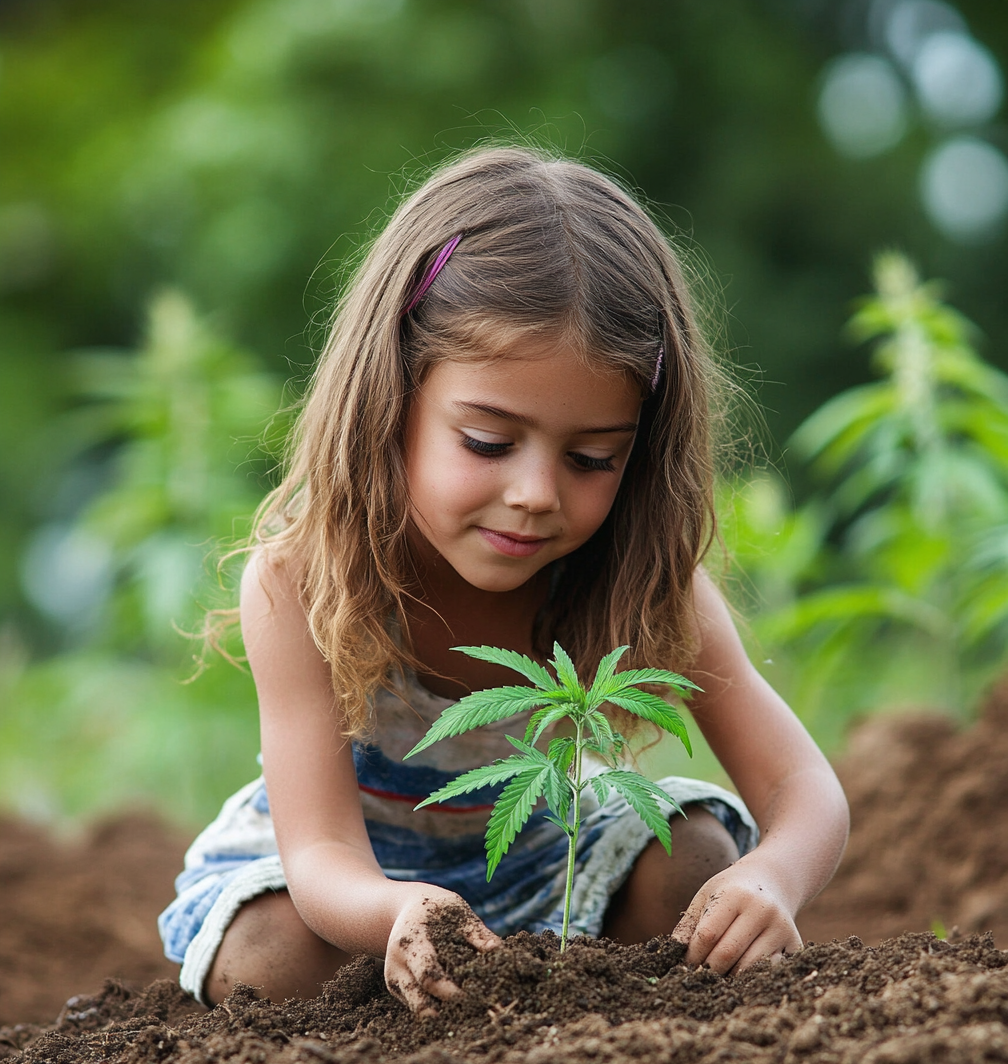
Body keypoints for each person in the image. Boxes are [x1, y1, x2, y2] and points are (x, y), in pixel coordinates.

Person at [158, 146, 849, 1015]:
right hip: (354, 890)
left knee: (698, 859)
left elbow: (803, 788)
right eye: (487, 442)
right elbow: (323, 854)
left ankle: (574, 1002)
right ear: (393, 394)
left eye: (593, 457)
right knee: (269, 962)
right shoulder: (303, 579)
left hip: (546, 861)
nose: (534, 496)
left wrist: (774, 879)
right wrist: (397, 910)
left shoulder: (640, 580)